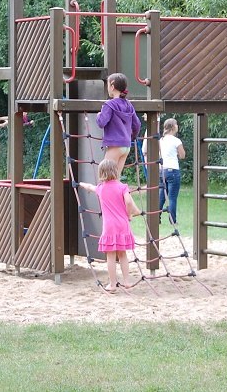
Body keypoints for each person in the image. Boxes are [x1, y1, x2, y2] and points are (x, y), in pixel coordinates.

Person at [79, 159, 141, 292]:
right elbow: (129, 202)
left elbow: (90, 187)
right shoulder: (122, 187)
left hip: (109, 226)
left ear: (101, 173)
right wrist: (129, 214)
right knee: (123, 254)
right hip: (123, 224)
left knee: (111, 256)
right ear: (116, 171)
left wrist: (81, 184)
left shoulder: (101, 188)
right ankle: (127, 281)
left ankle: (112, 284)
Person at [96, 73, 141, 175]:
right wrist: (131, 137)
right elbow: (137, 125)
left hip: (115, 145)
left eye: (107, 85)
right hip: (126, 146)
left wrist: (99, 114)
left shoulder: (109, 104)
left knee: (105, 177)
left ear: (112, 87)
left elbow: (101, 122)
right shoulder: (129, 105)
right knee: (115, 177)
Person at [158, 117, 185, 223]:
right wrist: (176, 154)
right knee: (172, 197)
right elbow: (182, 155)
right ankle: (172, 219)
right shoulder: (176, 141)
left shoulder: (161, 140)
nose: (177, 126)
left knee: (162, 195)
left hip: (162, 170)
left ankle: (156, 216)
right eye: (176, 124)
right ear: (173, 127)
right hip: (173, 170)